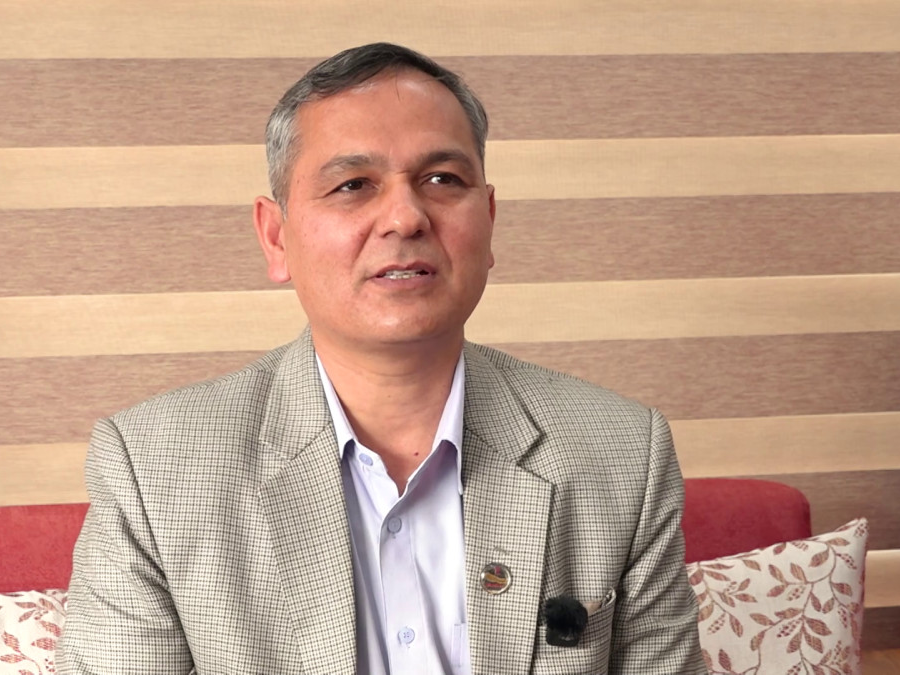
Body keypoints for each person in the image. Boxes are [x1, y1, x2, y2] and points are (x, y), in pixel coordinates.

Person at [57, 42, 704, 675]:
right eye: (353, 185)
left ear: (489, 218)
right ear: (276, 237)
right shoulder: (154, 469)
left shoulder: (621, 452)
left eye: (442, 180)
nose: (405, 217)